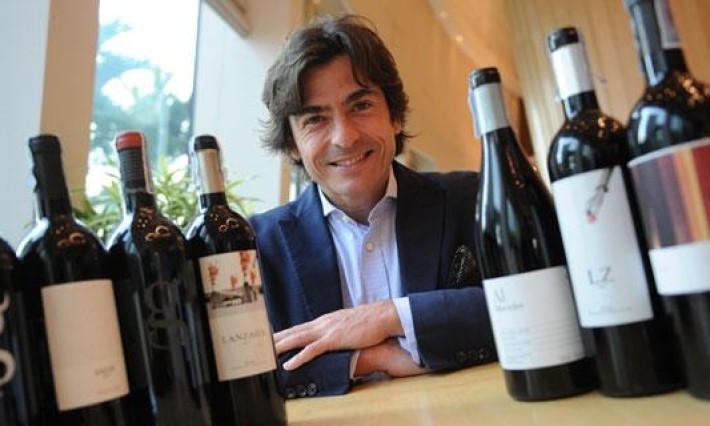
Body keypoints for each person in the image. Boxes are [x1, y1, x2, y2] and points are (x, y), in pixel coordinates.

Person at [251, 14, 495, 399]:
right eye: (315, 119)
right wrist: (370, 358)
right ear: (293, 145)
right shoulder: (256, 245)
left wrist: (388, 316)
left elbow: (536, 301)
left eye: (361, 105)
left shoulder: (472, 198)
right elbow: (241, 365)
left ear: (394, 116)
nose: (345, 137)